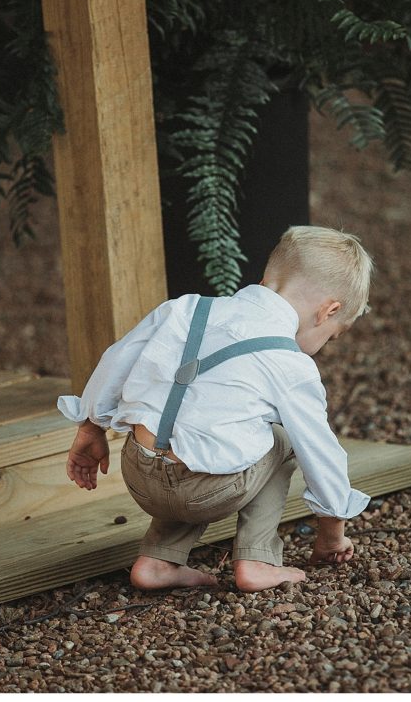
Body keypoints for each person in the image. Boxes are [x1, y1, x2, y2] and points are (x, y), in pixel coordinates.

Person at [59, 225, 373, 593]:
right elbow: (321, 454)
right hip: (208, 492)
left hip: (140, 473)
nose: (324, 345)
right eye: (331, 336)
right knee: (284, 439)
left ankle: (158, 560)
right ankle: (257, 560)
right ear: (328, 311)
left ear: (267, 279)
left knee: (192, 430)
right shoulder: (290, 363)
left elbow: (115, 360)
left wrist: (90, 428)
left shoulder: (186, 308)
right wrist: (332, 534)